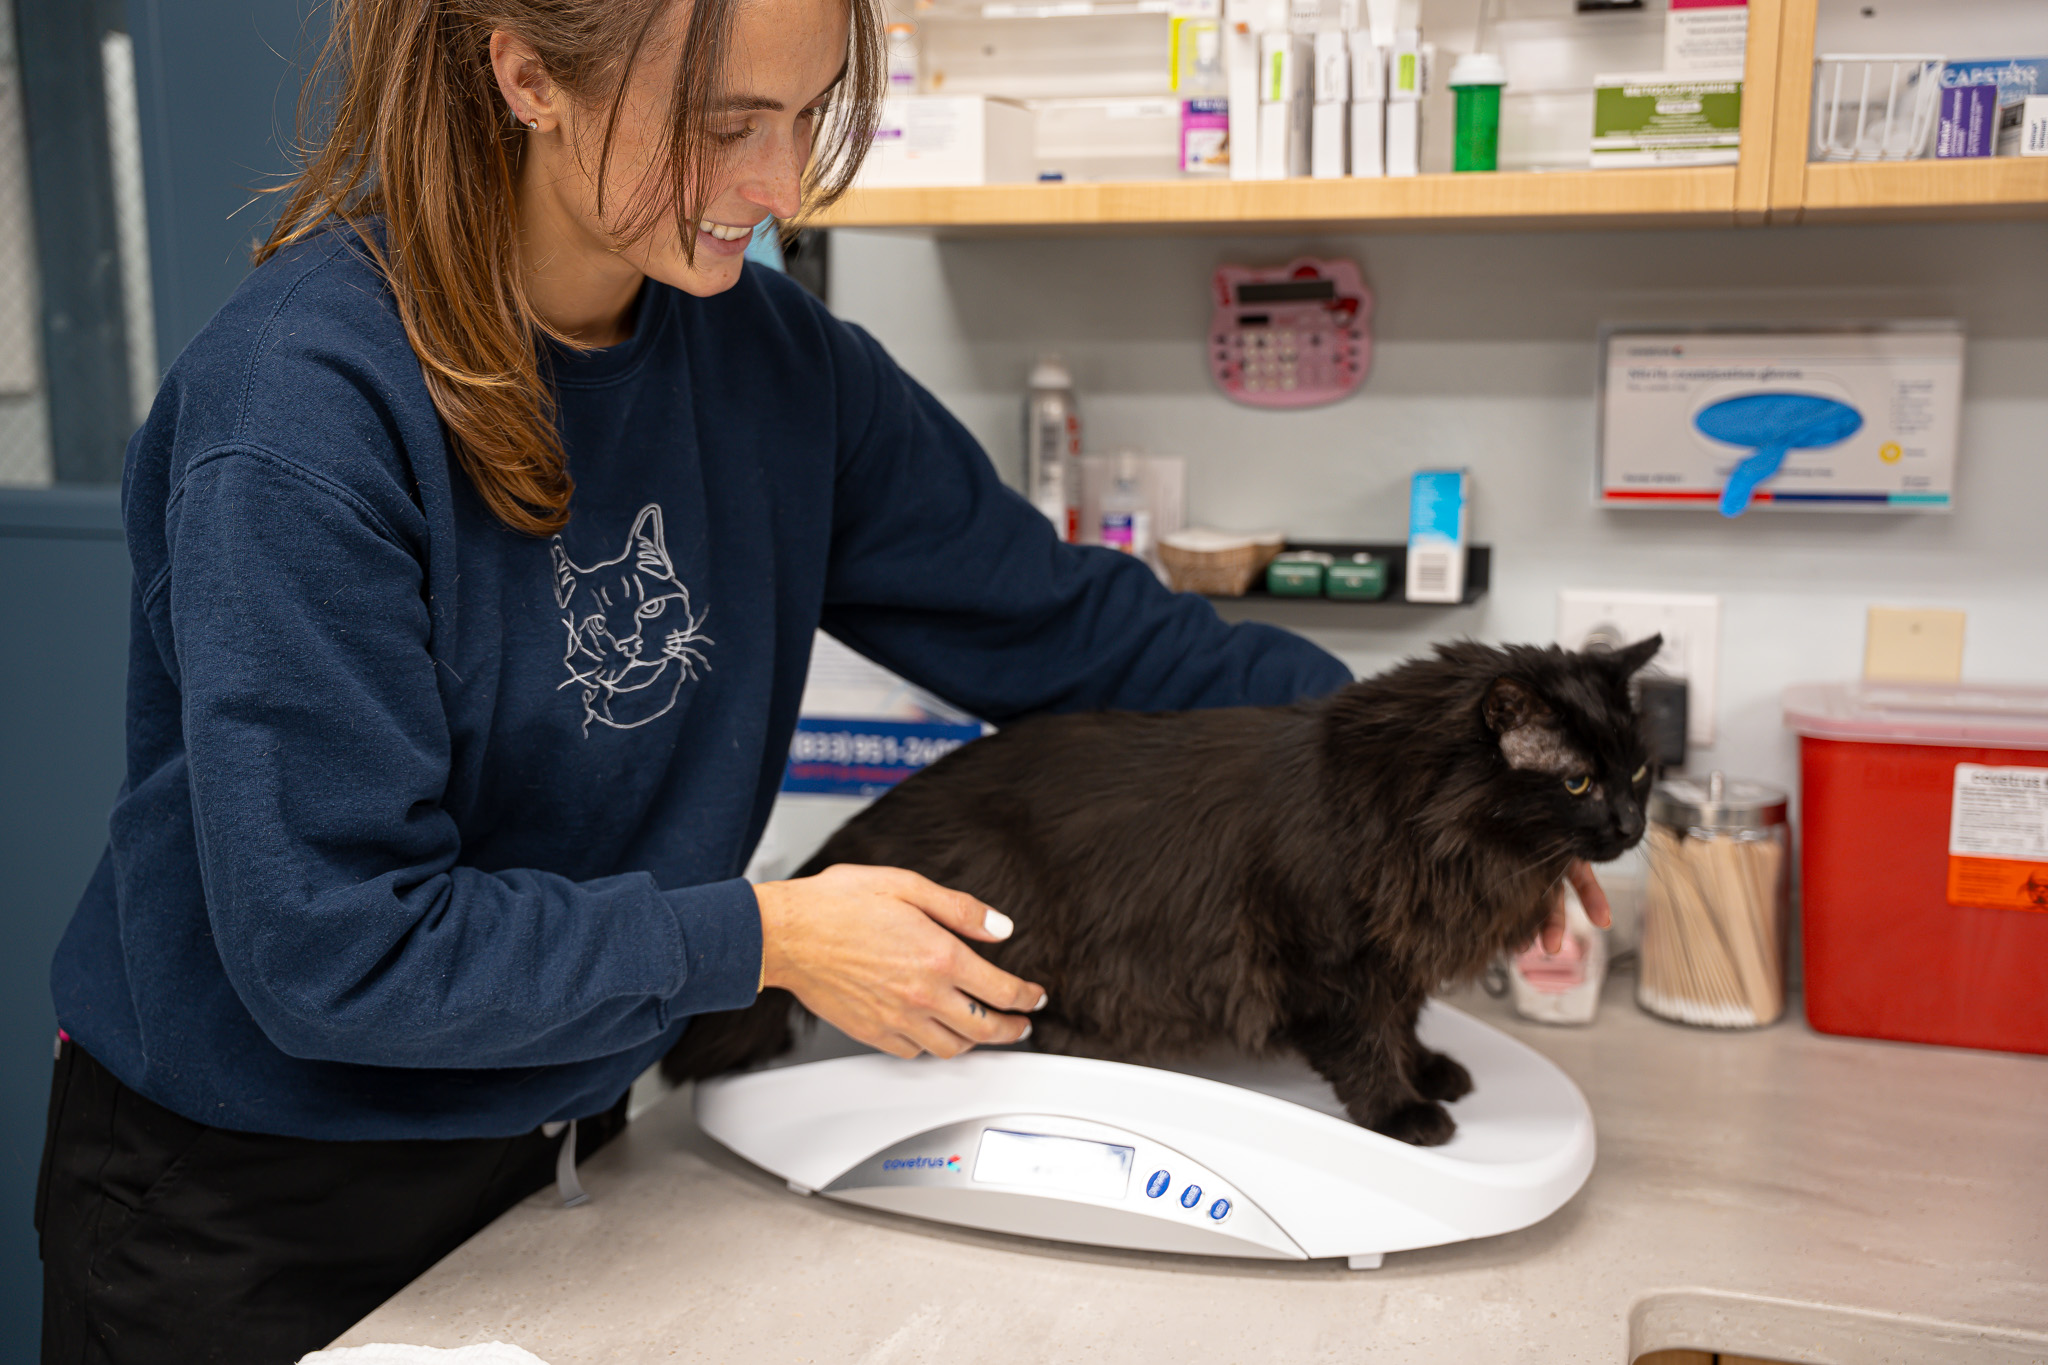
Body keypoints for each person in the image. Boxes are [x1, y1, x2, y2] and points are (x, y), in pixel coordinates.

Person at [35, 0, 1607, 1359]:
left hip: (552, 1145)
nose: (779, 189)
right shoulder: (304, 413)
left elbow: (1077, 629)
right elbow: (339, 945)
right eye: (726, 126)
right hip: (248, 1203)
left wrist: (1419, 788)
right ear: (527, 75)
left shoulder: (769, 364)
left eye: (809, 116)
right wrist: (771, 936)